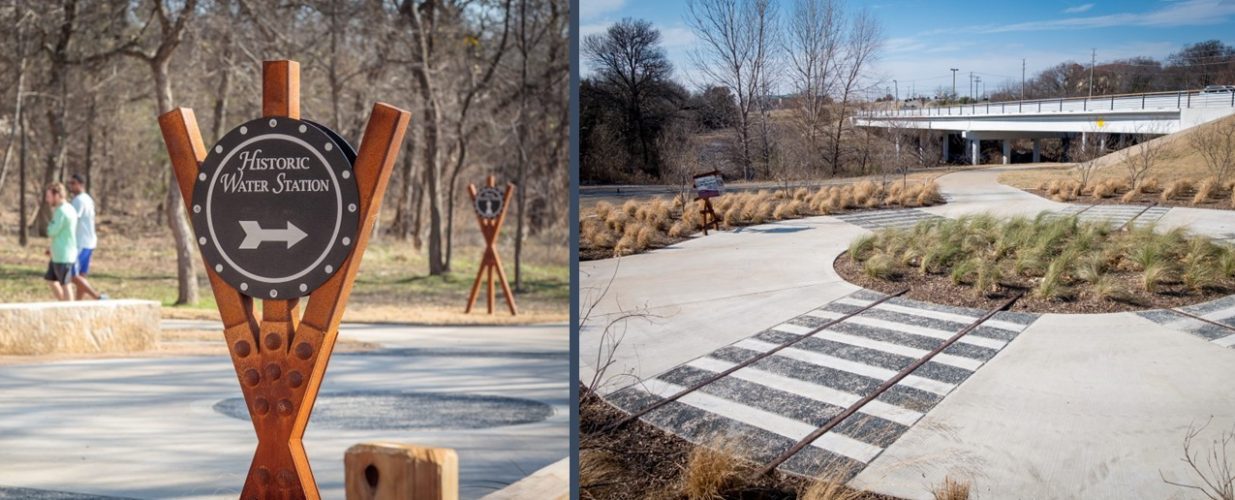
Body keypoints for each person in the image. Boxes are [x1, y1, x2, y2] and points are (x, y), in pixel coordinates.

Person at [67, 174, 104, 300]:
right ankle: (79, 303)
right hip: (89, 242)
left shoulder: (79, 200)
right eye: (70, 183)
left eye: (73, 183)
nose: (70, 186)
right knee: (81, 275)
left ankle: (97, 296)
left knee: (72, 275)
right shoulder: (88, 198)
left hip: (80, 243)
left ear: (81, 184)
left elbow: (73, 220)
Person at [43, 182, 78, 301]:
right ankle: (63, 304)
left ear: (57, 195)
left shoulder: (62, 212)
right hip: (58, 254)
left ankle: (69, 310)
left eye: (49, 197)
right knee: (51, 279)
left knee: (65, 284)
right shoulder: (68, 208)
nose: (47, 200)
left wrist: (49, 227)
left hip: (64, 255)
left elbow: (51, 231)